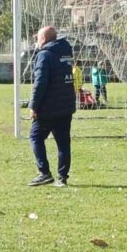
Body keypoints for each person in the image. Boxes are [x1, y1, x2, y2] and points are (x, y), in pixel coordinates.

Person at [27, 26, 76, 187]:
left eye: (38, 38)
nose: (37, 41)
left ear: (44, 39)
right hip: (66, 105)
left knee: (35, 137)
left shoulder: (44, 55)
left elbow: (40, 83)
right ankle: (62, 178)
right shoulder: (65, 52)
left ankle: (44, 173)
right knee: (63, 143)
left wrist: (34, 106)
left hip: (49, 107)